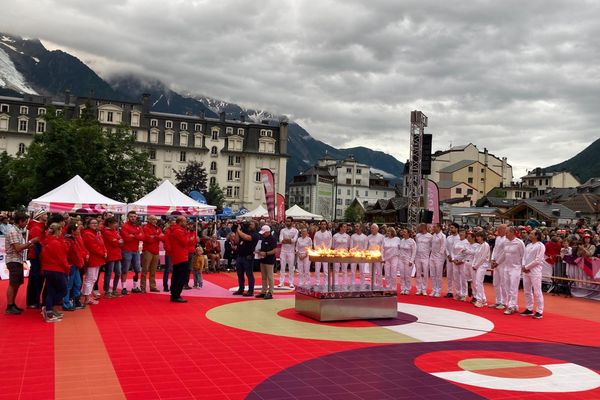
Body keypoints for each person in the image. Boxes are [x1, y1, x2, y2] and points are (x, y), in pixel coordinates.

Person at [5, 212, 38, 315]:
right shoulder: (13, 232)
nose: (26, 224)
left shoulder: (16, 231)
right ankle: (10, 306)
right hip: (13, 260)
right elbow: (18, 248)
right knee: (13, 283)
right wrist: (30, 242)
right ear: (20, 221)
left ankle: (12, 304)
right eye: (25, 222)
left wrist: (28, 246)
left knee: (17, 283)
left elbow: (19, 247)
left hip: (17, 260)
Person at [40, 223, 69, 322]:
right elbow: (61, 258)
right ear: (58, 230)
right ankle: (48, 309)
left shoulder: (48, 241)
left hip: (48, 269)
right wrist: (67, 268)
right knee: (63, 290)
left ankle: (48, 310)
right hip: (56, 269)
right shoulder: (55, 243)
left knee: (51, 291)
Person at [496, 226, 525, 315]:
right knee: (507, 287)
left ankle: (511, 306)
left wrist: (523, 266)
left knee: (513, 288)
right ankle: (513, 305)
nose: (506, 234)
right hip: (506, 267)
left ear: (512, 232)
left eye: (507, 232)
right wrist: (497, 262)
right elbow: (504, 254)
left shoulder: (519, 242)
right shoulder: (505, 242)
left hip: (515, 268)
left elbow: (524, 255)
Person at [520, 229, 545, 319]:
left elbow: (538, 260)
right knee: (527, 290)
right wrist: (523, 266)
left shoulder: (540, 245)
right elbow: (524, 256)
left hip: (535, 271)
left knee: (537, 291)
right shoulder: (529, 245)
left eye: (531, 234)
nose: (529, 235)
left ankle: (539, 311)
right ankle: (529, 308)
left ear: (537, 236)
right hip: (526, 271)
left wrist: (527, 267)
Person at [81, 218, 107, 306]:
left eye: (96, 223)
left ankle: (88, 295)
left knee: (94, 278)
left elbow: (101, 244)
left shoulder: (96, 233)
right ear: (88, 224)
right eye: (93, 223)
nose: (95, 225)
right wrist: (103, 253)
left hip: (97, 259)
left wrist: (104, 251)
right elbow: (93, 247)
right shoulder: (87, 234)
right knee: (90, 278)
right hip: (93, 259)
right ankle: (87, 297)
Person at [63, 221, 88, 311]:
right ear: (73, 231)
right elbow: (72, 254)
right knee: (69, 285)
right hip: (72, 265)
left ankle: (75, 301)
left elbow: (78, 252)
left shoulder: (74, 239)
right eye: (77, 229)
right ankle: (66, 303)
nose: (79, 230)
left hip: (76, 264)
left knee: (77, 283)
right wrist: (79, 262)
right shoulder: (68, 240)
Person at [26, 210, 48, 309]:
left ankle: (34, 300)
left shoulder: (40, 226)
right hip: (36, 256)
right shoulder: (36, 227)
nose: (47, 216)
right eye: (45, 214)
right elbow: (36, 243)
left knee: (38, 279)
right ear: (40, 216)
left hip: (39, 256)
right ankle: (33, 301)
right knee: (35, 279)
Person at [120, 211, 144, 294]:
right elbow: (126, 238)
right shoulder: (124, 226)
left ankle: (135, 286)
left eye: (134, 216)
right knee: (125, 269)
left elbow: (143, 237)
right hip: (126, 250)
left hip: (136, 250)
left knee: (137, 269)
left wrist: (133, 235)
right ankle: (124, 287)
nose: (133, 218)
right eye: (131, 216)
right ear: (128, 217)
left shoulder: (138, 226)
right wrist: (137, 235)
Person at [233, 221, 260, 297]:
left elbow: (247, 238)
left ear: (255, 226)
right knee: (239, 274)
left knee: (249, 274)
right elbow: (236, 241)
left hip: (248, 257)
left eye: (251, 224)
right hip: (240, 256)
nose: (249, 225)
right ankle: (241, 289)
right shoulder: (244, 232)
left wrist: (238, 230)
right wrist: (237, 231)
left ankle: (250, 291)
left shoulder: (255, 234)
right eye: (249, 224)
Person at [168, 216, 191, 303]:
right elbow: (185, 242)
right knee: (181, 277)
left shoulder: (176, 230)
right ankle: (176, 294)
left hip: (178, 256)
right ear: (180, 222)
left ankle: (174, 294)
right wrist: (187, 234)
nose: (186, 223)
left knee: (176, 276)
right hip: (181, 256)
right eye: (185, 221)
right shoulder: (179, 231)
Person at [101, 217, 123, 298]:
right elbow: (114, 242)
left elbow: (120, 241)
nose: (116, 225)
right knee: (109, 273)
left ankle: (114, 290)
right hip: (110, 255)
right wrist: (118, 241)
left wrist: (118, 241)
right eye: (114, 223)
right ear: (109, 224)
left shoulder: (115, 231)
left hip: (117, 255)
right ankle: (107, 291)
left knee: (118, 273)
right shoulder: (106, 232)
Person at [140, 215, 163, 293]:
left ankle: (152, 286)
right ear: (149, 220)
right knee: (145, 270)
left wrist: (154, 236)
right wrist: (157, 236)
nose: (155, 221)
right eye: (153, 219)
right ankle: (143, 287)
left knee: (153, 270)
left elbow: (162, 237)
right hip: (148, 250)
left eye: (155, 219)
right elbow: (148, 239)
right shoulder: (146, 228)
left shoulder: (157, 228)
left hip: (155, 250)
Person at [255, 225, 278, 299]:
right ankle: (263, 291)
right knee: (263, 277)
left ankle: (270, 292)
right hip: (262, 259)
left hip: (269, 260)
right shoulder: (263, 238)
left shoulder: (272, 239)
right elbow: (262, 248)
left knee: (270, 277)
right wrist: (258, 251)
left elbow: (275, 250)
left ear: (268, 232)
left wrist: (266, 253)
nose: (263, 234)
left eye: (264, 233)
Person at [489, 224, 508, 309]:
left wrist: (497, 262)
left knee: (503, 284)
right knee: (496, 283)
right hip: (496, 263)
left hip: (503, 263)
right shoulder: (498, 238)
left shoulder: (506, 239)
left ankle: (504, 303)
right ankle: (498, 301)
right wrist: (492, 259)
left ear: (504, 230)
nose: (498, 232)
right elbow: (495, 249)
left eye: (500, 230)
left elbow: (505, 252)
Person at [278, 217, 299, 288]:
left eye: (289, 221)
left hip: (291, 252)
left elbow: (294, 240)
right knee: (282, 267)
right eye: (286, 221)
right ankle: (281, 281)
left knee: (291, 267)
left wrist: (287, 240)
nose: (287, 223)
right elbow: (281, 240)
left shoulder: (295, 231)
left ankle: (291, 282)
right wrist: (289, 240)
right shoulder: (282, 230)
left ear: (292, 222)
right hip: (283, 251)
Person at [471, 231, 490, 307]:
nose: (477, 238)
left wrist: (476, 265)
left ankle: (479, 300)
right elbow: (476, 257)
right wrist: (474, 265)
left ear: (483, 237)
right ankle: (483, 299)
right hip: (477, 266)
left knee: (478, 282)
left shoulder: (486, 245)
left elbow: (483, 258)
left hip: (482, 266)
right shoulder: (479, 245)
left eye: (479, 236)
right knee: (478, 283)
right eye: (477, 236)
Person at [414, 223, 432, 296]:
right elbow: (416, 244)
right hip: (417, 256)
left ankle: (424, 289)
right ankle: (418, 289)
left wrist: (428, 252)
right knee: (418, 273)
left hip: (425, 257)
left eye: (420, 227)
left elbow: (431, 246)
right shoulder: (417, 236)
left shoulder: (430, 236)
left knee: (425, 273)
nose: (419, 228)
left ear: (424, 227)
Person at [313, 220, 332, 286]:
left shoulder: (329, 233)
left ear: (326, 225)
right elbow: (314, 242)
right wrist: (316, 249)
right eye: (322, 224)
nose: (323, 225)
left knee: (325, 270)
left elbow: (330, 243)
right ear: (320, 225)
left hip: (325, 253)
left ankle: (326, 283)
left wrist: (326, 251)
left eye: (324, 224)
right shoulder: (317, 233)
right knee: (317, 269)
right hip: (318, 253)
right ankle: (317, 282)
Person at [429, 224, 446, 297]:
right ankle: (433, 289)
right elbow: (430, 245)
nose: (433, 228)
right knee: (432, 274)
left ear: (439, 228)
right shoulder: (433, 235)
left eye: (434, 227)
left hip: (439, 257)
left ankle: (438, 290)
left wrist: (440, 255)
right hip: (432, 256)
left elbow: (443, 247)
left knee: (438, 275)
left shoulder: (443, 236)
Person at [332, 223, 351, 288]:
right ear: (340, 227)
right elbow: (333, 246)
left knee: (344, 270)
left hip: (344, 254)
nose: (345, 228)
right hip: (337, 254)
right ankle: (335, 283)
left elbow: (348, 246)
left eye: (346, 227)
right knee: (336, 269)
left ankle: (344, 283)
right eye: (344, 227)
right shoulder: (335, 236)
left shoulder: (348, 236)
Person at [398, 228, 416, 294]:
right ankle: (403, 288)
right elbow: (399, 250)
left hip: (408, 260)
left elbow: (414, 251)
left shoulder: (412, 241)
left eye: (405, 232)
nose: (403, 233)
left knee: (407, 275)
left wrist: (411, 260)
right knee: (402, 275)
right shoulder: (402, 240)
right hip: (401, 260)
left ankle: (407, 289)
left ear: (408, 233)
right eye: (403, 232)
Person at [350, 223, 368, 288]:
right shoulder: (352, 236)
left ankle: (362, 285)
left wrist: (361, 253)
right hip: (354, 256)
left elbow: (365, 247)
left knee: (362, 271)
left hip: (361, 256)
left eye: (357, 226)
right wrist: (353, 252)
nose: (356, 227)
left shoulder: (365, 237)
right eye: (355, 226)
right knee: (352, 271)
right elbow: (351, 247)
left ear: (361, 228)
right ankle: (352, 284)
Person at [444, 223, 460, 298]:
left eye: (452, 228)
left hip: (457, 260)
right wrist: (448, 255)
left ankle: (458, 292)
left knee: (456, 276)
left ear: (456, 228)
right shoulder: (448, 238)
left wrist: (455, 258)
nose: (451, 229)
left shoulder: (460, 237)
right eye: (450, 228)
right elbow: (446, 247)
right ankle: (449, 291)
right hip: (449, 259)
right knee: (449, 275)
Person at [162, 218, 175, 292]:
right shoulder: (167, 231)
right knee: (167, 269)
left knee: (173, 270)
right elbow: (166, 242)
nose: (173, 224)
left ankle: (172, 285)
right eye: (172, 223)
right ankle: (165, 286)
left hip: (174, 253)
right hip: (170, 253)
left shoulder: (176, 231)